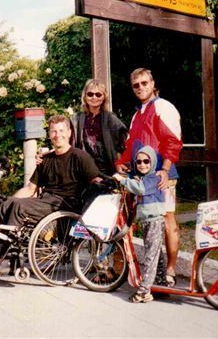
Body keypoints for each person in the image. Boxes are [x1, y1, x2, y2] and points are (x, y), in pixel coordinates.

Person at [0, 115, 101, 272]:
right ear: (49, 134)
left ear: (69, 133)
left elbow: (96, 180)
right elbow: (30, 189)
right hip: (46, 201)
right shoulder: (46, 160)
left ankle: (9, 259)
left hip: (65, 204)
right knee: (7, 204)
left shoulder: (79, 157)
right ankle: (5, 252)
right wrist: (9, 200)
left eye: (61, 131)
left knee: (19, 207)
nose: (58, 135)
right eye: (53, 131)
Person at [116, 68, 183, 287]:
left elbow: (173, 142)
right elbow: (130, 146)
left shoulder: (164, 107)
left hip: (162, 175)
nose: (141, 87)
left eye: (144, 83)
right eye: (136, 85)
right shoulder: (137, 114)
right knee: (149, 223)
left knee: (167, 222)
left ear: (153, 83)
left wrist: (164, 169)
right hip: (143, 178)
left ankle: (171, 270)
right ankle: (159, 273)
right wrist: (122, 163)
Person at [113, 145, 166, 303]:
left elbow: (141, 189)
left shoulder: (154, 178)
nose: (142, 165)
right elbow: (137, 182)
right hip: (148, 221)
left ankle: (144, 291)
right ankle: (160, 281)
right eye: (139, 162)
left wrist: (122, 180)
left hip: (155, 221)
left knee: (150, 254)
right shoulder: (144, 177)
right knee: (156, 253)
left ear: (153, 162)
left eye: (146, 161)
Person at [70, 79, 128, 175]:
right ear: (85, 96)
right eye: (90, 94)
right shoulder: (76, 119)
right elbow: (67, 143)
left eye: (98, 94)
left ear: (104, 97)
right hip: (84, 170)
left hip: (107, 170)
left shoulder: (111, 119)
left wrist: (121, 162)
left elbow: (125, 142)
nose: (94, 97)